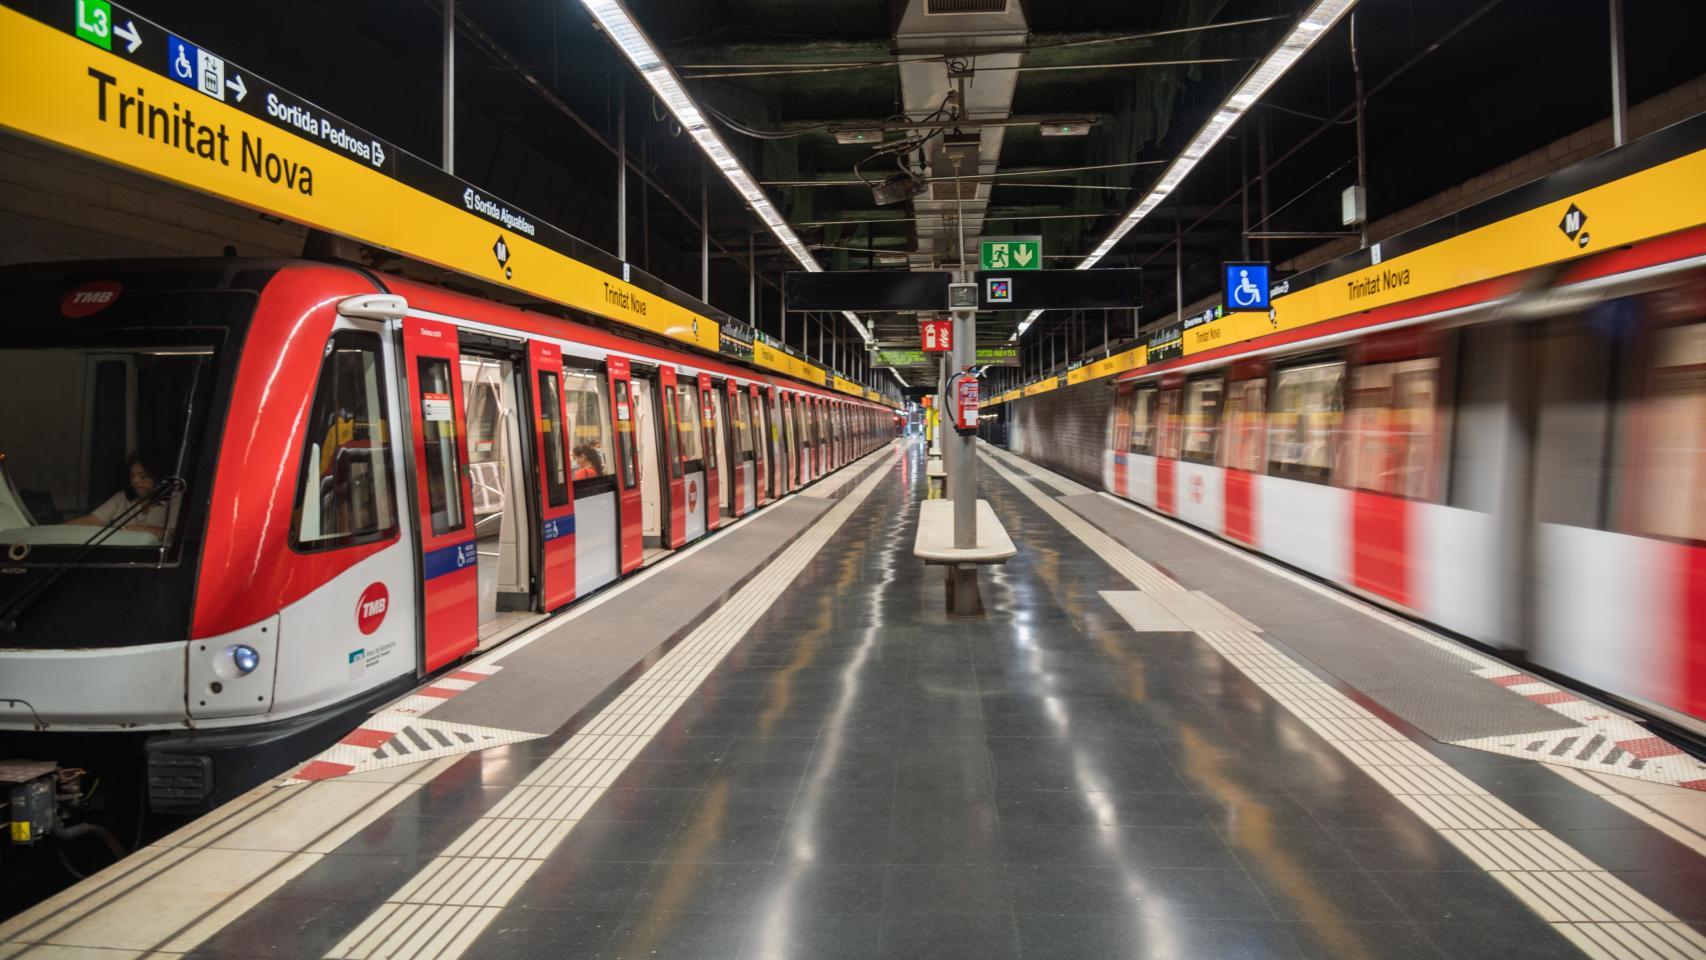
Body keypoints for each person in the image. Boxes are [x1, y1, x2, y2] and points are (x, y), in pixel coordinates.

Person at [68, 453, 175, 539]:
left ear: (158, 476)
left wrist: (139, 530)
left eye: (143, 476)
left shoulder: (175, 499)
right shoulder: (122, 497)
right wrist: (57, 529)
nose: (136, 480)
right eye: (132, 476)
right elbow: (90, 521)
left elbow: (174, 533)